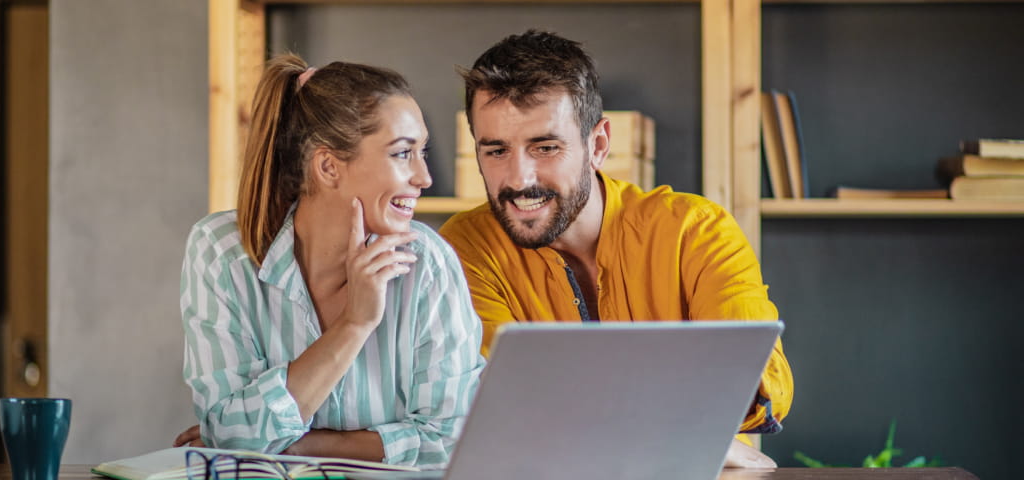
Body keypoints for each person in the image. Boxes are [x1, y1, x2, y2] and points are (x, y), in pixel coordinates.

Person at [437, 30, 793, 467]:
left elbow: (757, 383)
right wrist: (676, 424)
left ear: (598, 145)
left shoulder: (697, 230)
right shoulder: (464, 246)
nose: (518, 178)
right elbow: (504, 401)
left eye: (545, 147)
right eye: (495, 150)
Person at [174, 53, 484, 468]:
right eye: (401, 154)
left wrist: (299, 446)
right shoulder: (222, 252)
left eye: (421, 152)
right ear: (328, 166)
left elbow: (454, 440)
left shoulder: (428, 264)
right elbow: (232, 433)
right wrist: (354, 325)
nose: (424, 178)